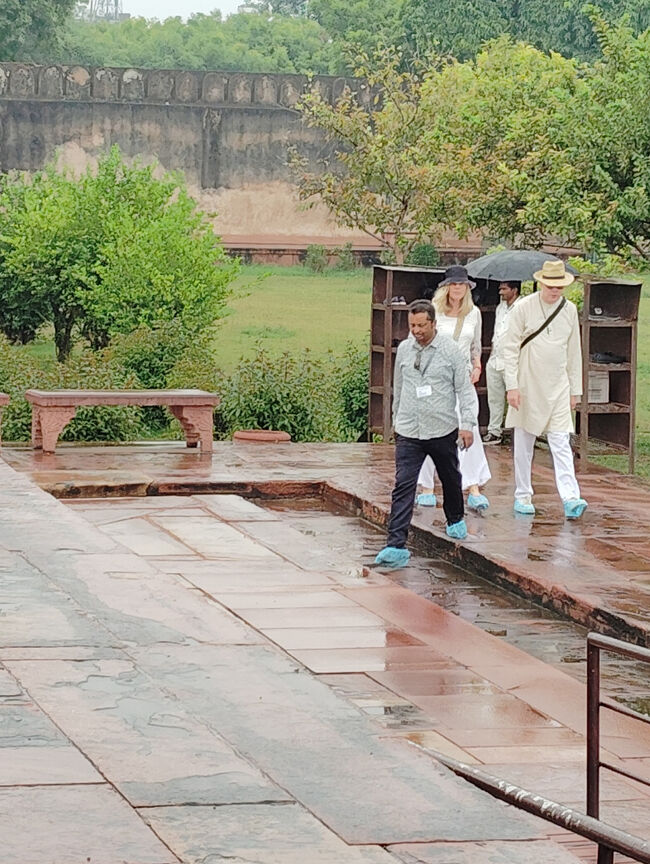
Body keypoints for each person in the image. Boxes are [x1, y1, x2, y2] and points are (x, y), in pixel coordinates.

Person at [375, 300, 476, 567]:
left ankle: (455, 518)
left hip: (441, 428)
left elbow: (464, 390)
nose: (416, 331)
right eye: (412, 326)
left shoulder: (451, 351)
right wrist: (396, 420)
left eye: (421, 325)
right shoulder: (405, 349)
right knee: (403, 485)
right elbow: (399, 385)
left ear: (433, 323)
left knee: (450, 478)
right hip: (409, 429)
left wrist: (467, 423)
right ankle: (395, 544)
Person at [502, 259, 587, 519]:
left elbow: (574, 351)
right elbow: (510, 348)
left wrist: (575, 390)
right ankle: (523, 494)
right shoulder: (523, 308)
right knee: (524, 440)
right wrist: (512, 386)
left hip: (558, 385)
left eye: (559, 287)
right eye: (550, 286)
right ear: (541, 283)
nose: (554, 291)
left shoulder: (569, 309)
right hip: (528, 383)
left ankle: (571, 497)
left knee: (561, 440)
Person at [416, 265, 491, 511]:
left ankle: (472, 485)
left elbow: (475, 345)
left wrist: (477, 366)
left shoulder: (474, 314)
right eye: (454, 284)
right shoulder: (434, 311)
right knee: (431, 429)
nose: (458, 288)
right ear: (446, 286)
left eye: (462, 284)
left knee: (467, 427)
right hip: (436, 377)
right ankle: (427, 486)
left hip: (462, 378)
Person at [482, 280, 522, 444]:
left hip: (512, 359)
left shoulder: (522, 307)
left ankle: (519, 432)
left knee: (516, 397)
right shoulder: (500, 308)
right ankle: (494, 431)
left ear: (515, 290)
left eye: (504, 289)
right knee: (494, 397)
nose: (501, 292)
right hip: (496, 357)